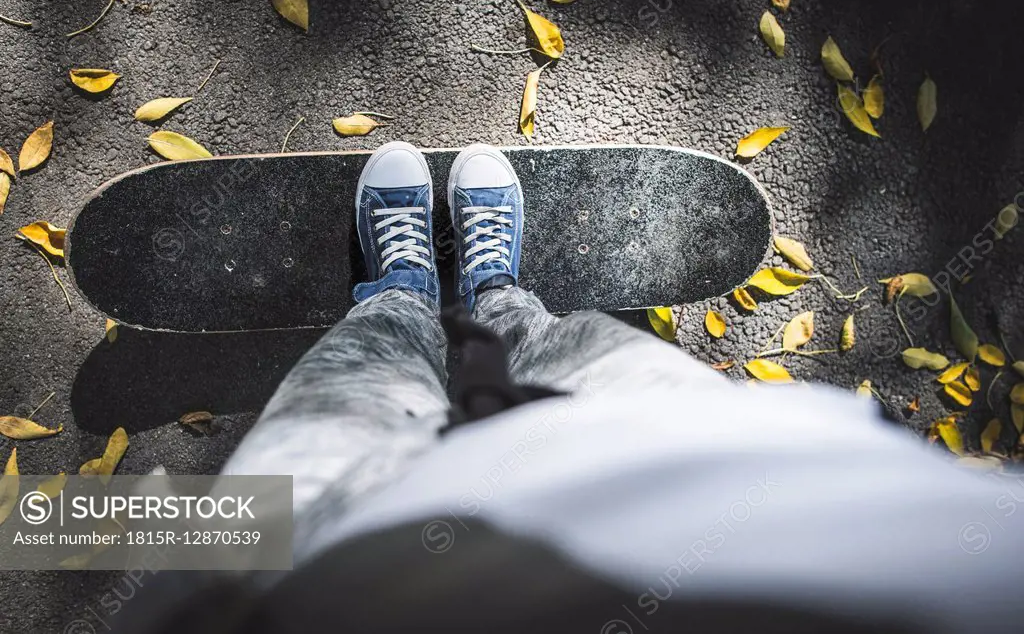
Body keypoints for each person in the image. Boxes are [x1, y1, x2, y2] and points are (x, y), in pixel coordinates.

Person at [120, 142, 1024, 633]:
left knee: (353, 382)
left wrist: (88, 529)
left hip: (320, 555)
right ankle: (495, 293)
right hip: (712, 452)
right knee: (556, 340)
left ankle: (398, 293)